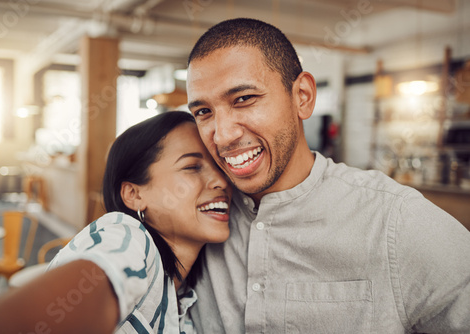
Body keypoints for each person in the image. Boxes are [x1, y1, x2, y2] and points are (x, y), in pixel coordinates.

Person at [186, 18, 470, 333]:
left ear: (302, 96)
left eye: (244, 99)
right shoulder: (197, 215)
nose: (223, 136)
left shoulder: (395, 221)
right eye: (203, 112)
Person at [0, 111, 232, 333]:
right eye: (192, 167)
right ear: (134, 194)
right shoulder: (129, 239)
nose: (221, 181)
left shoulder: (184, 297)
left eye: (220, 165)